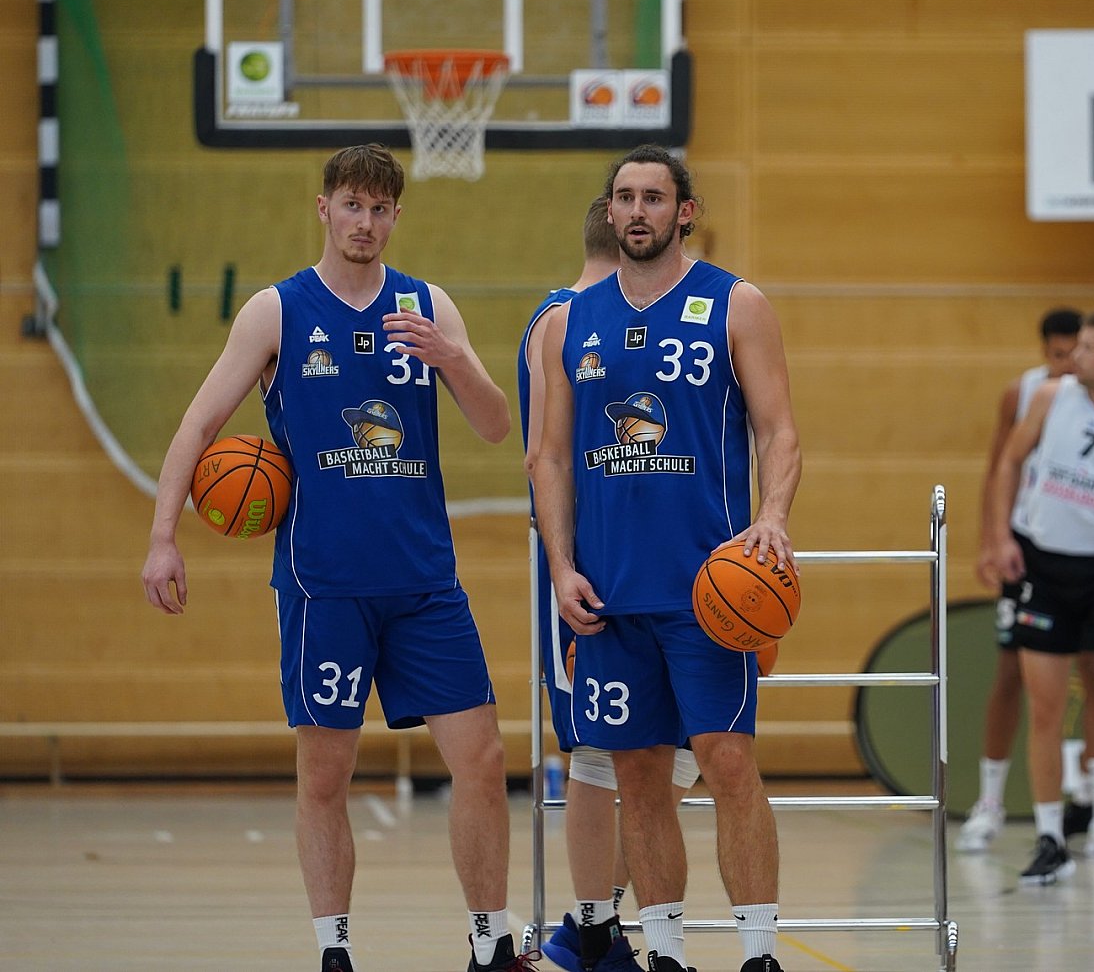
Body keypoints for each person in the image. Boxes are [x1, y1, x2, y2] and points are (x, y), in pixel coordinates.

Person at [140, 144, 526, 972]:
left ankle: (491, 942)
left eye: (380, 209)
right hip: (325, 587)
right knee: (325, 775)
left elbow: (497, 425)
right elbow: (197, 426)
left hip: (425, 582)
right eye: (352, 205)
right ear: (324, 208)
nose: (365, 222)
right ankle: (334, 949)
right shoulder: (276, 312)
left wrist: (452, 357)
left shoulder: (427, 305)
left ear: (396, 216)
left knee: (484, 760)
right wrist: (163, 536)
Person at [533, 145, 802, 972]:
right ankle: (666, 954)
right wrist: (561, 566)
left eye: (654, 197)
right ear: (609, 211)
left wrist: (771, 517)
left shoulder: (735, 303)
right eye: (625, 197)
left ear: (684, 211)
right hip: (609, 597)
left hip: (708, 591)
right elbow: (548, 457)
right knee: (639, 778)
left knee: (728, 762)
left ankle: (759, 953)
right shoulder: (567, 322)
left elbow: (779, 431)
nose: (638, 210)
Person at [518, 196, 702, 972]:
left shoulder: (597, 316)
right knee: (599, 753)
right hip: (588, 567)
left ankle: (591, 923)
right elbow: (546, 457)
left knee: (665, 756)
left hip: (647, 568)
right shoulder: (565, 319)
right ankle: (591, 930)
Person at [980, 311, 1094, 885]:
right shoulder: (1050, 397)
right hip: (1045, 567)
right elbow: (1010, 461)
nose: (1073, 356)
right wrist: (1001, 537)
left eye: (1085, 347)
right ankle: (1050, 836)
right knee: (1046, 707)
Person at [957, 308, 1081, 853]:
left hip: (1087, 550)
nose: (1068, 364)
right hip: (1029, 549)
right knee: (1010, 673)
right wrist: (992, 539)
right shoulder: (1024, 393)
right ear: (1045, 350)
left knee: (1093, 675)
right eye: (1058, 354)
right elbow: (998, 469)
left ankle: (1091, 801)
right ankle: (990, 800)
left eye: (1076, 354)